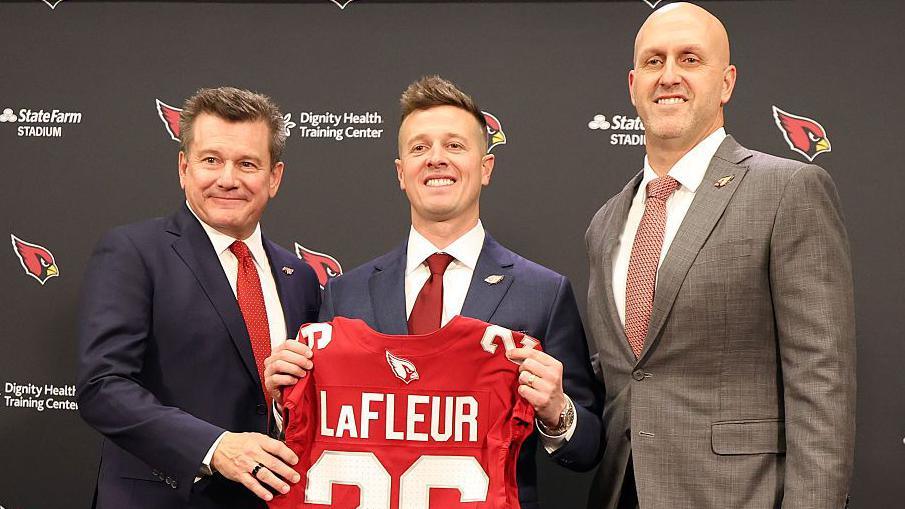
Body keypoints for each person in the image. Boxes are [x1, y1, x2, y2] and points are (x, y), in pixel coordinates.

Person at [264, 75, 603, 509]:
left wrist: (557, 412)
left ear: (486, 168)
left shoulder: (543, 292)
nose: (436, 159)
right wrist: (285, 401)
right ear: (401, 173)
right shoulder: (345, 293)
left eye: (455, 146)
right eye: (420, 148)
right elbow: (315, 436)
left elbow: (589, 448)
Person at [584, 3, 855, 508]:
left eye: (690, 60)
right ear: (632, 85)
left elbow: (822, 385)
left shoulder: (788, 190)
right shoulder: (605, 224)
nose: (668, 76)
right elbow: (624, 379)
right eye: (653, 61)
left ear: (726, 82)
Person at [77, 87, 321, 509]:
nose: (228, 179)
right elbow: (103, 386)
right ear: (183, 168)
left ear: (274, 177)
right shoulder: (134, 252)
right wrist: (215, 447)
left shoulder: (298, 277)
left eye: (247, 163)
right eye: (212, 160)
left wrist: (285, 404)